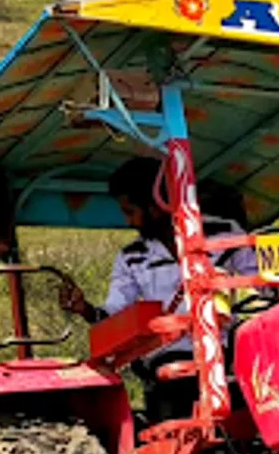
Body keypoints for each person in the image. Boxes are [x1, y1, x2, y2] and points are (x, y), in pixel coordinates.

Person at [59, 156, 256, 422]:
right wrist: (85, 309)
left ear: (156, 205)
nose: (129, 222)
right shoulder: (132, 257)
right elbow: (115, 312)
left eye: (130, 211)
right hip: (168, 356)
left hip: (228, 349)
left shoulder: (225, 233)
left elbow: (259, 283)